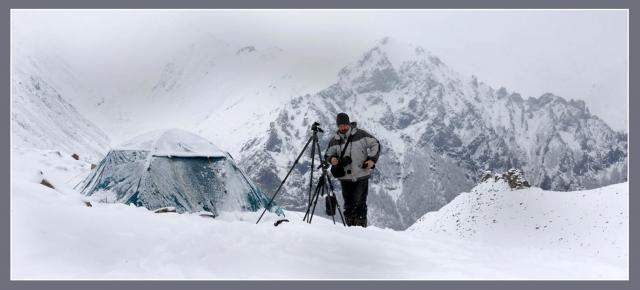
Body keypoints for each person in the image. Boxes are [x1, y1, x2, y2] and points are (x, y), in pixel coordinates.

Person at [324, 113, 380, 227]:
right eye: (340, 126)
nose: (343, 128)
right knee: (348, 206)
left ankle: (361, 230)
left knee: (360, 205)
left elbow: (376, 144)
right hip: (345, 178)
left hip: (361, 175)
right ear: (337, 126)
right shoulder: (334, 140)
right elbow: (327, 155)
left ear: (349, 124)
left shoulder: (361, 134)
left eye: (345, 125)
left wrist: (372, 160)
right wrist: (332, 159)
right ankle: (350, 230)